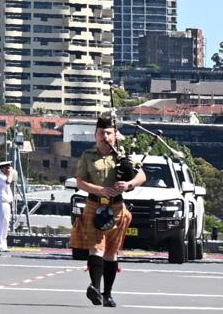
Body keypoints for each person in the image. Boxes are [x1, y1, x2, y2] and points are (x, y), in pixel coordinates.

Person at [72, 113, 146, 308]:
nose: (104, 137)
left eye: (108, 133)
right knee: (96, 247)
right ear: (95, 135)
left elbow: (142, 176)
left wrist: (128, 185)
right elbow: (80, 182)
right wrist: (100, 189)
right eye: (101, 133)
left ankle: (107, 294)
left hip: (116, 206)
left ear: (114, 135)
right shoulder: (87, 156)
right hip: (94, 204)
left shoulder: (124, 155)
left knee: (111, 252)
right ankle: (95, 288)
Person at [0, 159, 16, 252]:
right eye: (7, 167)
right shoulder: (0, 177)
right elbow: (8, 181)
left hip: (5, 204)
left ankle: (3, 245)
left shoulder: (3, 176)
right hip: (1, 204)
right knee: (1, 225)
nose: (9, 169)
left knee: (5, 225)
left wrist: (10, 173)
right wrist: (11, 173)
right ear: (2, 169)